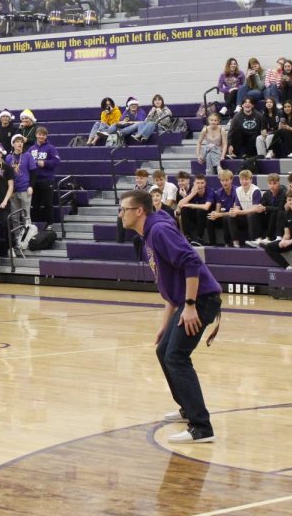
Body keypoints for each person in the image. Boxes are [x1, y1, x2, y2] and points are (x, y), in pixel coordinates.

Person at [119, 189, 221, 443]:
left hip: (200, 300)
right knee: (164, 350)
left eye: (124, 209)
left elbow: (191, 263)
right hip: (188, 302)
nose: (120, 214)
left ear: (139, 211)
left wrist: (189, 306)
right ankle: (187, 409)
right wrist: (166, 324)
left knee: (176, 356)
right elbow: (170, 286)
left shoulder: (160, 231)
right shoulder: (147, 237)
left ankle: (202, 428)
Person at [29, 127, 60, 224]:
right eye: (39, 134)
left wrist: (45, 163)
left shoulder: (51, 148)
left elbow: (57, 161)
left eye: (43, 135)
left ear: (46, 136)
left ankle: (50, 224)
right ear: (36, 135)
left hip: (47, 180)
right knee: (34, 205)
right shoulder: (31, 149)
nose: (41, 136)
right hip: (34, 181)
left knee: (48, 204)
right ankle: (35, 225)